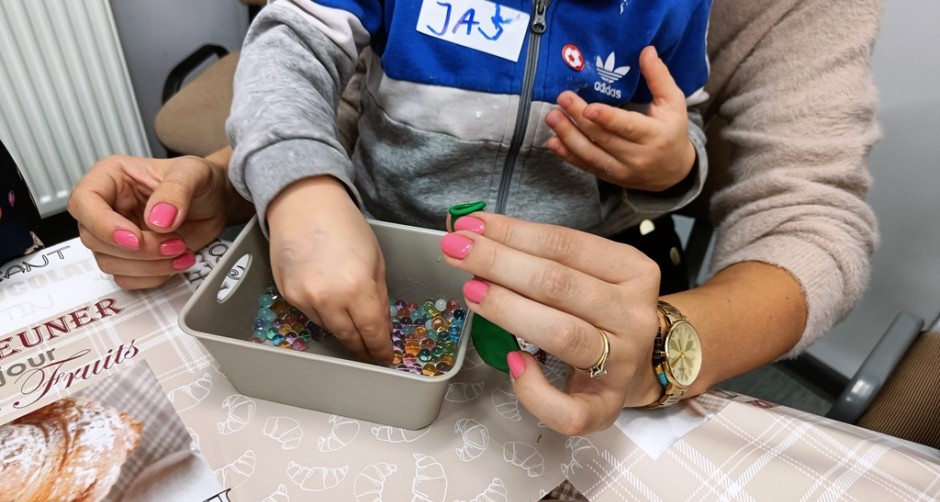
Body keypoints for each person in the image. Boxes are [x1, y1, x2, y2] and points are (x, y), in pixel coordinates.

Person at [68, 0, 881, 436]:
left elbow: (736, 161)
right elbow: (302, 48)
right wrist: (287, 184)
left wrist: (673, 169)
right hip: (379, 258)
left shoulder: (671, 11)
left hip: (557, 309)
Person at [226, 0, 711, 364]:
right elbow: (292, 41)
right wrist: (302, 188)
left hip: (559, 294)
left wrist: (672, 167)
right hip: (380, 261)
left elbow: (677, 115)